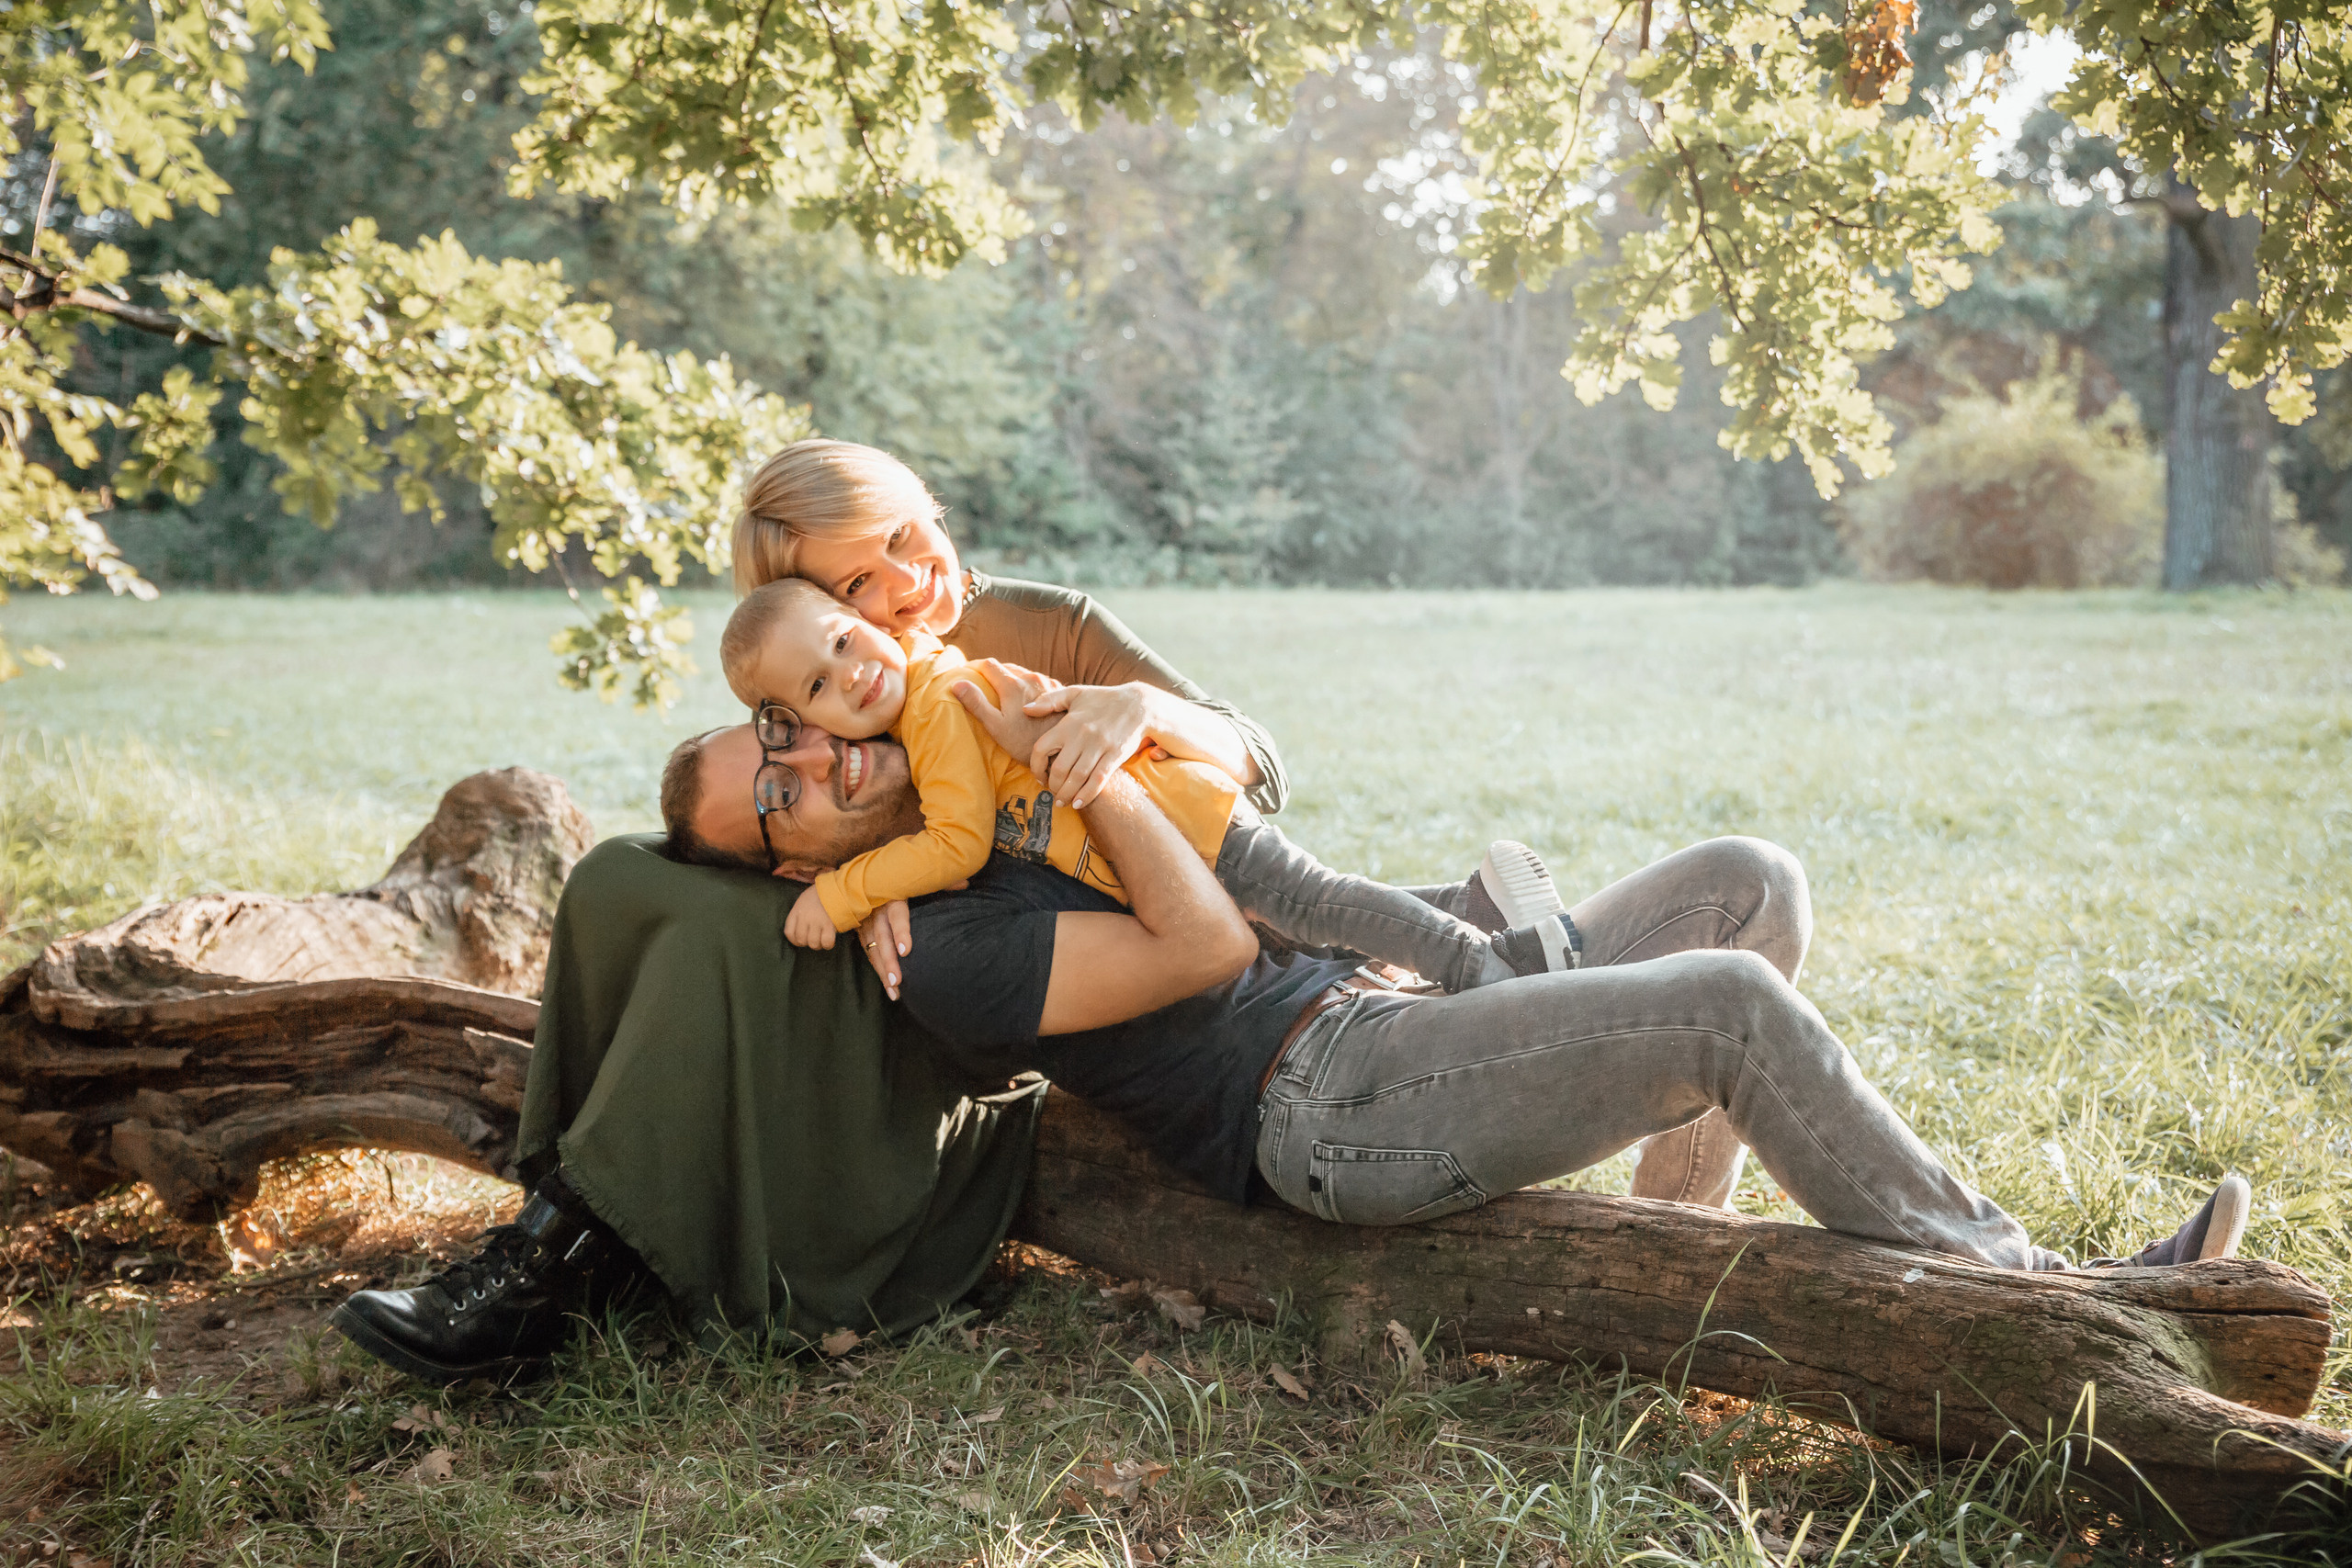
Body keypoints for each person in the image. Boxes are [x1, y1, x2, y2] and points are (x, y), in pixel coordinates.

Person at [676, 667, 2253, 1277]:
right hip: (1324, 1107)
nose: (801, 754)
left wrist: (1105, 717)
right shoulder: (934, 943)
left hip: (1385, 1004)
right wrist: (1090, 769)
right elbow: (1211, 945)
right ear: (798, 864)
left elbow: (1246, 783)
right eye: (779, 796)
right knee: (1730, 1004)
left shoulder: (966, 763)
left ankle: (1658, 1249)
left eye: (779, 734)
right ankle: (2040, 1291)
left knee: (1749, 887)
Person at [717, 576, 1571, 994]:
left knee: (1312, 905)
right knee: (1292, 923)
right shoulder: (918, 705)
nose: (849, 675)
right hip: (1164, 825)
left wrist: (845, 890)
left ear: (866, 618)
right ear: (807, 722)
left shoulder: (940, 701)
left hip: (1177, 810)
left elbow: (958, 843)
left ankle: (1495, 969)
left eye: (840, 640)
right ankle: (1477, 901)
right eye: (819, 687)